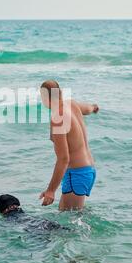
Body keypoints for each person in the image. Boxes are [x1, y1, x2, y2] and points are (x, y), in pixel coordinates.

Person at [40, 80, 99, 211]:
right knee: (67, 216)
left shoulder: (58, 118)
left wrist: (50, 191)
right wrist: (94, 107)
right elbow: (88, 109)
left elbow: (63, 159)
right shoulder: (71, 104)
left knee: (70, 225)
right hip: (85, 170)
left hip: (77, 173)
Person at [0, 194, 68, 231]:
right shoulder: (21, 212)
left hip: (35, 228)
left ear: (1, 211)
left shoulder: (7, 219)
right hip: (43, 222)